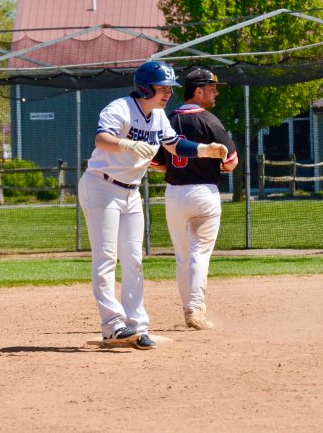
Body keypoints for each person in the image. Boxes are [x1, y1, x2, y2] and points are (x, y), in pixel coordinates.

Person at [78, 61, 228, 350]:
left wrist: (202, 150)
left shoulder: (158, 116)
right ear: (146, 87)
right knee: (107, 257)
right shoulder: (119, 108)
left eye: (170, 88)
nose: (168, 94)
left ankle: (136, 325)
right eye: (162, 88)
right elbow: (101, 138)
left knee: (133, 259)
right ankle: (112, 326)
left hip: (130, 192)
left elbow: (173, 144)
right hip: (101, 186)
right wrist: (126, 144)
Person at [151, 68, 238, 330]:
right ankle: (195, 310)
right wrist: (215, 166)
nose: (216, 92)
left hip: (175, 194)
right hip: (204, 194)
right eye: (211, 88)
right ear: (198, 91)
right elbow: (231, 162)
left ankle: (188, 309)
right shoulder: (211, 121)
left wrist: (177, 167)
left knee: (182, 257)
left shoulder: (167, 120)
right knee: (199, 254)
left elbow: (156, 162)